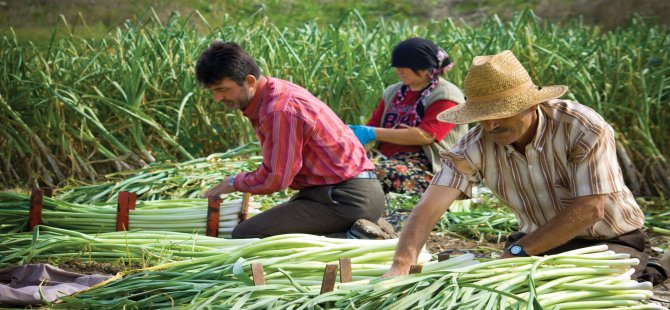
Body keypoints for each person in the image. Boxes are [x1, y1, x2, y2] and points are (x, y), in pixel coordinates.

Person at [384, 50, 669, 285]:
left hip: (608, 240)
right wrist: (401, 263)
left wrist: (520, 251)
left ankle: (655, 268)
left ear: (532, 106)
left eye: (499, 114)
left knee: (578, 292)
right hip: (538, 242)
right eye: (482, 116)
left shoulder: (580, 128)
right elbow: (431, 204)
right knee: (506, 288)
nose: (490, 125)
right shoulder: (475, 144)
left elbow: (590, 208)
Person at [195, 41, 390, 239]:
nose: (218, 98)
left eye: (223, 89)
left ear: (250, 81)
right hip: (337, 194)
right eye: (213, 91)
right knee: (268, 226)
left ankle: (355, 237)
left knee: (247, 234)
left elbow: (276, 179)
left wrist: (234, 182)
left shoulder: (278, 110)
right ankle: (355, 229)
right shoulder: (273, 93)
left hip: (346, 198)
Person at [349, 37, 467, 196]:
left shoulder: (446, 95)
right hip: (388, 158)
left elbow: (425, 136)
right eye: (397, 66)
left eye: (407, 67)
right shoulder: (393, 92)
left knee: (377, 174)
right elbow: (374, 123)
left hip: (430, 169)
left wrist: (372, 132)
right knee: (349, 169)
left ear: (427, 68)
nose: (400, 71)